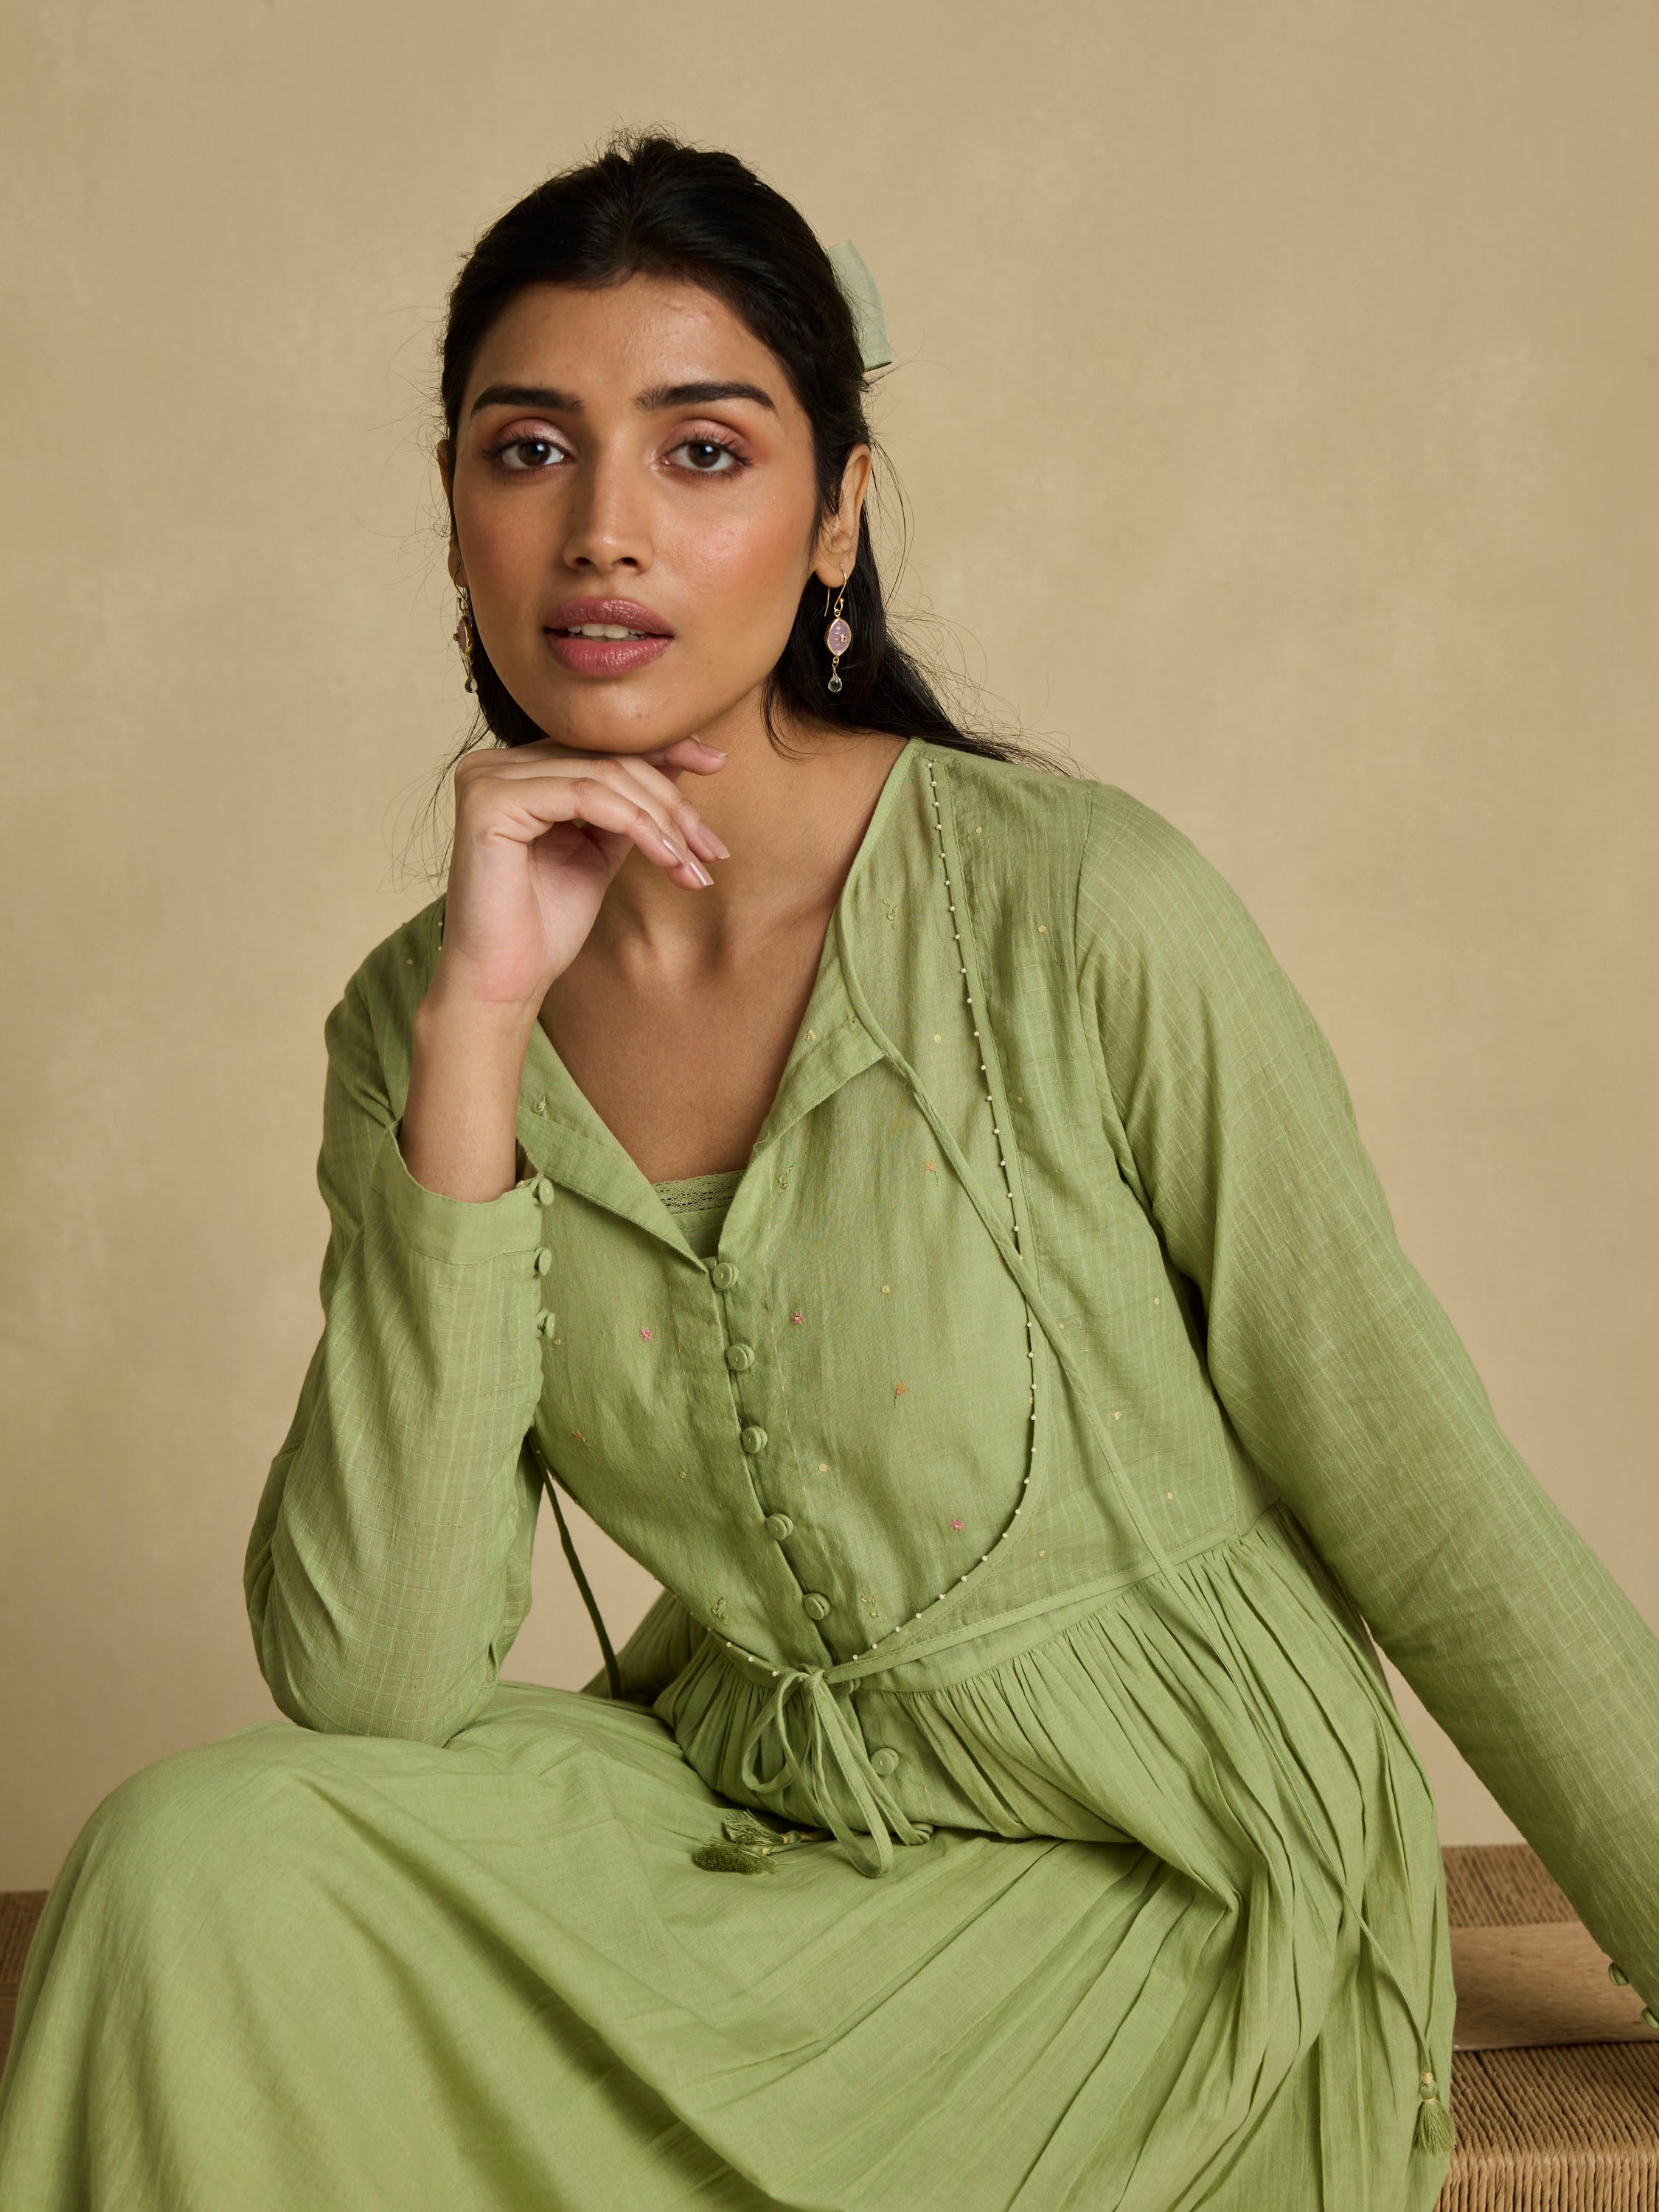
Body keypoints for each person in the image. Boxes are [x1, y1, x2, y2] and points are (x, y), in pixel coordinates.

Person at [3, 124, 1656, 2212]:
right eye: (528, 452)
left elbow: (1419, 1487)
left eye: (701, 453)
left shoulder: (1077, 914)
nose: (604, 532)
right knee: (189, 1865)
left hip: (1145, 1875)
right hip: (738, 1839)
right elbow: (377, 1674)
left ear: (834, 514)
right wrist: (477, 1036)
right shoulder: (420, 1020)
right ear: (450, 519)